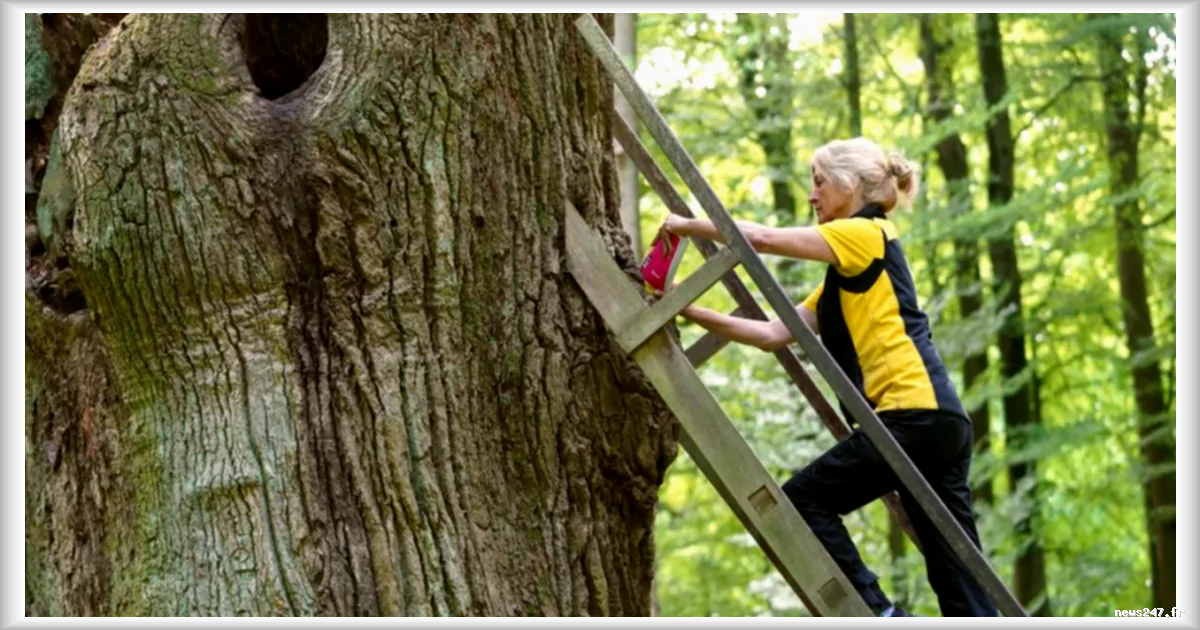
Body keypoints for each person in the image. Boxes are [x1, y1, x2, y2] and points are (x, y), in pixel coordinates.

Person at [662, 137, 998, 618]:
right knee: (956, 569)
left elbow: (761, 240)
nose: (813, 195)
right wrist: (685, 305)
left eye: (819, 182)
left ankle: (881, 613)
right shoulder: (846, 273)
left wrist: (684, 224)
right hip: (940, 422)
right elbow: (774, 333)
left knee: (803, 499)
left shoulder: (867, 233)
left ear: (850, 184)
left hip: (912, 417)